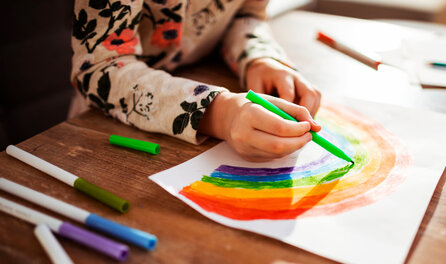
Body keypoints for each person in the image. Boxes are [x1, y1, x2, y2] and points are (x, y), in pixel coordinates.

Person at [71, 0, 322, 162]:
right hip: (105, 134)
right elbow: (98, 68)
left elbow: (245, 15)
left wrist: (260, 57)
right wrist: (218, 113)